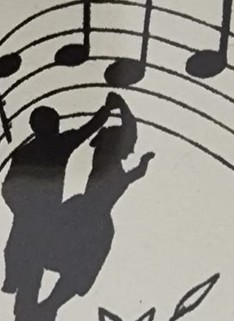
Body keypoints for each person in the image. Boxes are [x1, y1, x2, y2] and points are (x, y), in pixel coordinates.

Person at [1, 93, 126, 319]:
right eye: (53, 124)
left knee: (32, 277)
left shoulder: (27, 151)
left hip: (37, 223)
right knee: (48, 270)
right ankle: (41, 308)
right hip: (43, 222)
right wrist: (106, 110)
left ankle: (39, 308)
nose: (56, 128)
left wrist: (22, 209)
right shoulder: (56, 145)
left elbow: (7, 189)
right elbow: (87, 130)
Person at [33, 95, 155, 321]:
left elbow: (121, 180)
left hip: (90, 217)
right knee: (74, 268)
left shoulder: (109, 163)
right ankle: (47, 305)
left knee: (74, 270)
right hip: (88, 218)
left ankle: (48, 307)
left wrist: (139, 170)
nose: (130, 148)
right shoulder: (106, 160)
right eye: (126, 143)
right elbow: (131, 132)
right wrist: (122, 106)